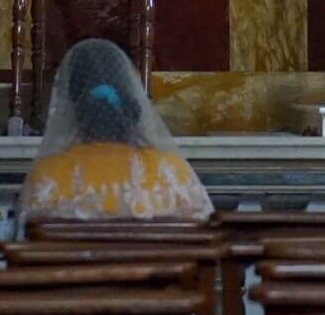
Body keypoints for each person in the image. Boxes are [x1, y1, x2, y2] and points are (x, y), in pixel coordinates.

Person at [18, 38, 211, 225]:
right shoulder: (172, 173)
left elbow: (26, 244)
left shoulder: (48, 176)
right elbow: (204, 239)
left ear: (70, 108)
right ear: (132, 95)